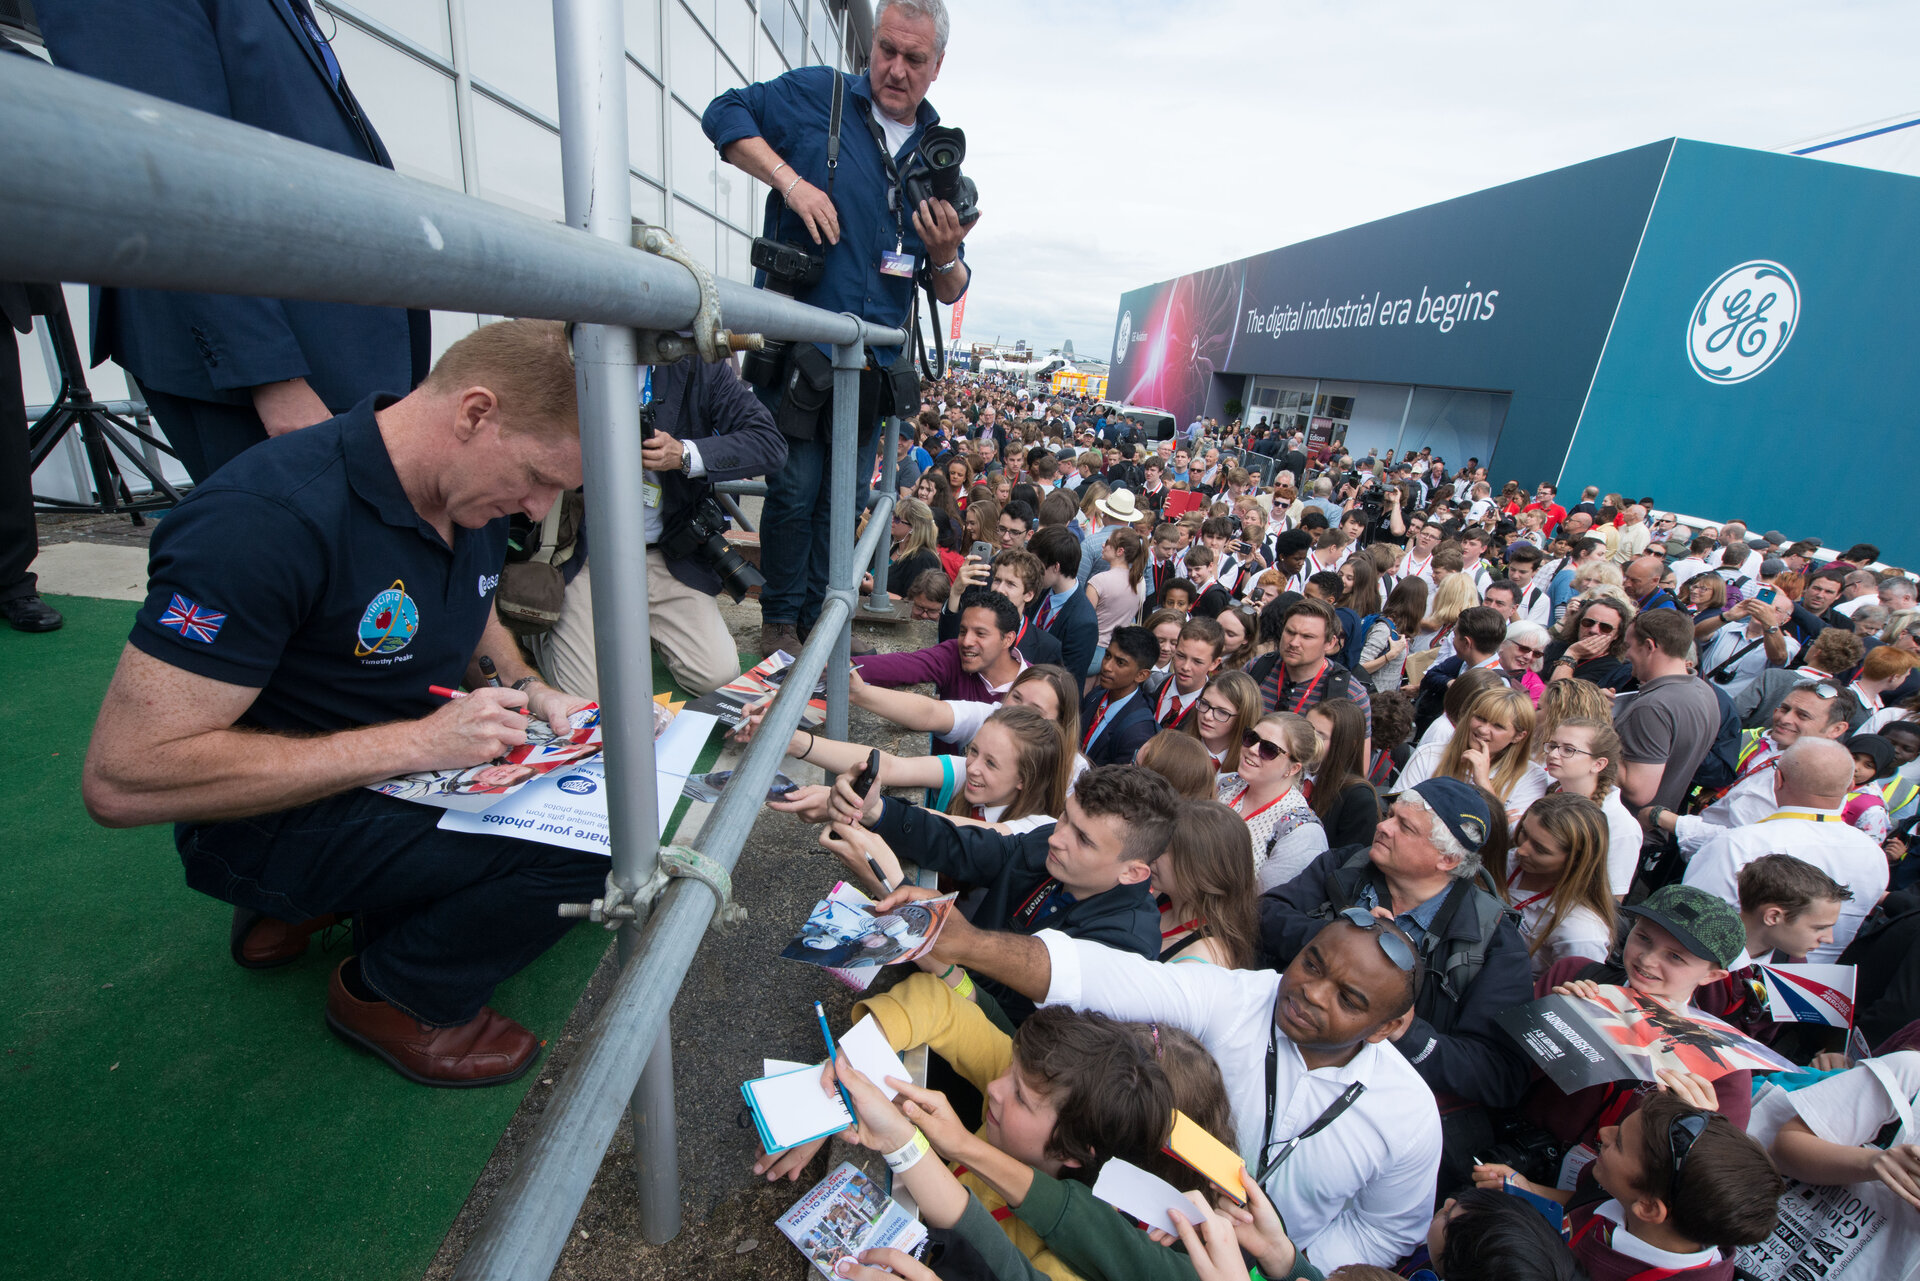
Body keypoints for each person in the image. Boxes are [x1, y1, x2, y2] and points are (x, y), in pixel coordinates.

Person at [81, 320, 605, 1087]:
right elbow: (124, 777)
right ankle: (395, 992)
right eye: (537, 476)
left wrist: (531, 687)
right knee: (598, 844)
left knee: (597, 792)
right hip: (263, 821)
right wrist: (419, 745)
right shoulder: (262, 520)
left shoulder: (466, 494)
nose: (537, 506)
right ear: (474, 412)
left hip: (379, 774)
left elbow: (475, 606)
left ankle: (322, 904)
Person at [902, 904, 1445, 1271]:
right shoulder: (1236, 998)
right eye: (1311, 963)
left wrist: (1274, 1266)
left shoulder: (1410, 1120)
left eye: (1348, 999)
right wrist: (967, 944)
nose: (1311, 993)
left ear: (1390, 1027)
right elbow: (1103, 975)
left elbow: (1383, 1233)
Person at [35, 0, 431, 485]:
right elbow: (167, 163)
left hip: (330, 341)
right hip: (266, 363)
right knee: (285, 549)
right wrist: (271, 377)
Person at [704, 0, 974, 655]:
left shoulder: (939, 160)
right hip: (799, 353)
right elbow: (724, 113)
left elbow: (954, 286)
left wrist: (944, 255)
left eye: (914, 58)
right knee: (792, 492)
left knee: (845, 498)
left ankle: (827, 620)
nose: (896, 68)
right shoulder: (818, 96)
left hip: (871, 369)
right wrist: (791, 182)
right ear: (872, 45)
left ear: (937, 66)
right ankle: (781, 623)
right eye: (887, 49)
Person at [1258, 779, 1534, 1189]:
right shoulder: (1347, 867)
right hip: (1276, 1054)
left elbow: (1500, 1074)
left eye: (1405, 827)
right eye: (1390, 816)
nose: (1383, 827)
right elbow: (1266, 915)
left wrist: (1410, 1033)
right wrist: (1343, 939)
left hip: (1372, 1118)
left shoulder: (1492, 939)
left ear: (1446, 859)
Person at [523, 351, 788, 696]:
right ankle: (535, 626)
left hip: (665, 554)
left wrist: (685, 454)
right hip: (585, 552)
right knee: (587, 699)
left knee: (717, 677)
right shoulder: (567, 355)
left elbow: (770, 445)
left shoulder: (696, 365)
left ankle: (639, 626)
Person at [835, 763, 1175, 1028]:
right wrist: (877, 811)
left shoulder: (1125, 949)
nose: (1058, 838)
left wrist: (892, 883)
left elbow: (1013, 1037)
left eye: (1084, 840)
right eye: (1065, 817)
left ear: (1133, 872)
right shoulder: (1052, 845)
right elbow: (966, 849)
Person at [1481, 1090, 1784, 1281]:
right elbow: (1582, 1207)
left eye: (1620, 1144)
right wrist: (1529, 1191)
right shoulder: (1641, 1202)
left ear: (1650, 1208)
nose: (1604, 1132)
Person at [1682, 738, 1890, 962]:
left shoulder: (1742, 843)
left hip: (1721, 978)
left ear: (1777, 780)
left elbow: (1687, 921)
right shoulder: (1875, 856)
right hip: (1809, 987)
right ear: (1850, 787)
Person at [1643, 680, 1858, 857]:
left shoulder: (1810, 778)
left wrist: (1663, 819)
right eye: (1784, 708)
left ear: (1836, 729)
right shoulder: (1766, 742)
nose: (1784, 719)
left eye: (1802, 716)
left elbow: (1742, 841)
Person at [1611, 608, 1722, 811]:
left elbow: (1639, 792)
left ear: (1649, 646)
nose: (1626, 654)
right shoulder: (1704, 690)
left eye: (1629, 646)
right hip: (1656, 827)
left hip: (1631, 828)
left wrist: (1597, 729)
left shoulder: (1653, 707)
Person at [1506, 793, 1617, 976]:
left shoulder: (1581, 931)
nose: (1522, 850)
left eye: (1540, 849)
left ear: (1576, 859)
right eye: (1524, 832)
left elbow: (1567, 997)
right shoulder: (1512, 861)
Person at [1399, 686, 1549, 823]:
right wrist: (1499, 817)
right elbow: (1399, 809)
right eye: (1480, 718)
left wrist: (1484, 784)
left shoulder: (1532, 776)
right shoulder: (1430, 754)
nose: (1483, 730)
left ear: (1519, 736)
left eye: (1497, 726)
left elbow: (1510, 837)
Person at [1218, 712, 1329, 891]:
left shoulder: (1302, 833)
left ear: (1293, 769)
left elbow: (1268, 905)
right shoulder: (1224, 784)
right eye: (1251, 738)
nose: (1253, 749)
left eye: (1268, 750)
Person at [1533, 715, 1641, 897]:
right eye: (1552, 745)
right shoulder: (1539, 785)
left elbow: (1612, 898)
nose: (1552, 754)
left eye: (1568, 750)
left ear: (1598, 764)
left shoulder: (1620, 825)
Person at [1152, 799, 1261, 966]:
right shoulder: (1167, 897)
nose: (1152, 855)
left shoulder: (1200, 960)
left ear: (1202, 868)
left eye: (1164, 850)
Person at [940, 548, 1065, 669]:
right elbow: (947, 651)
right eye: (997, 581)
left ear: (1028, 595)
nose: (999, 590)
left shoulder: (1047, 647)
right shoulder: (971, 623)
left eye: (1010, 584)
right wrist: (955, 593)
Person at [1305, 698, 1383, 849]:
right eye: (1307, 729)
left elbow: (1346, 859)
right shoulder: (1288, 769)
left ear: (1347, 744)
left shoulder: (1358, 797)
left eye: (1321, 736)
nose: (1308, 740)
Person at [1081, 626, 1160, 768]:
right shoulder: (1096, 695)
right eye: (1107, 656)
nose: (1107, 667)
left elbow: (1117, 785)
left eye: (1120, 663)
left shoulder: (1138, 732)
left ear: (1141, 675)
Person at [1030, 525, 1100, 682]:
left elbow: (1069, 679)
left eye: (1038, 567)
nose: (1032, 572)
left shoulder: (1083, 621)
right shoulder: (1040, 591)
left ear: (1056, 567)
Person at [1145, 618, 1227, 733]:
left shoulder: (1211, 715)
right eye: (1181, 656)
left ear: (1214, 663)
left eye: (1197, 662)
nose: (1186, 667)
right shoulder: (1150, 684)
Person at [1544, 589, 1637, 690]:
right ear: (1578, 622)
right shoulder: (1555, 647)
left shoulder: (1611, 669)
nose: (1593, 630)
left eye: (1605, 627)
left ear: (1617, 634)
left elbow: (1558, 694)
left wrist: (1572, 655)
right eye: (1588, 622)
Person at [1084, 527, 1146, 672]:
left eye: (1107, 542)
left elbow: (1085, 622)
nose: (1103, 546)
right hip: (1119, 655)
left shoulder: (1099, 581)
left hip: (1093, 650)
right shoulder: (1139, 582)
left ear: (1120, 551)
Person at [1184, 670, 1265, 772]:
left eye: (1222, 712)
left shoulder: (1249, 768)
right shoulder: (1175, 749)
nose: (1208, 716)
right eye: (1204, 703)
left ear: (1242, 719)